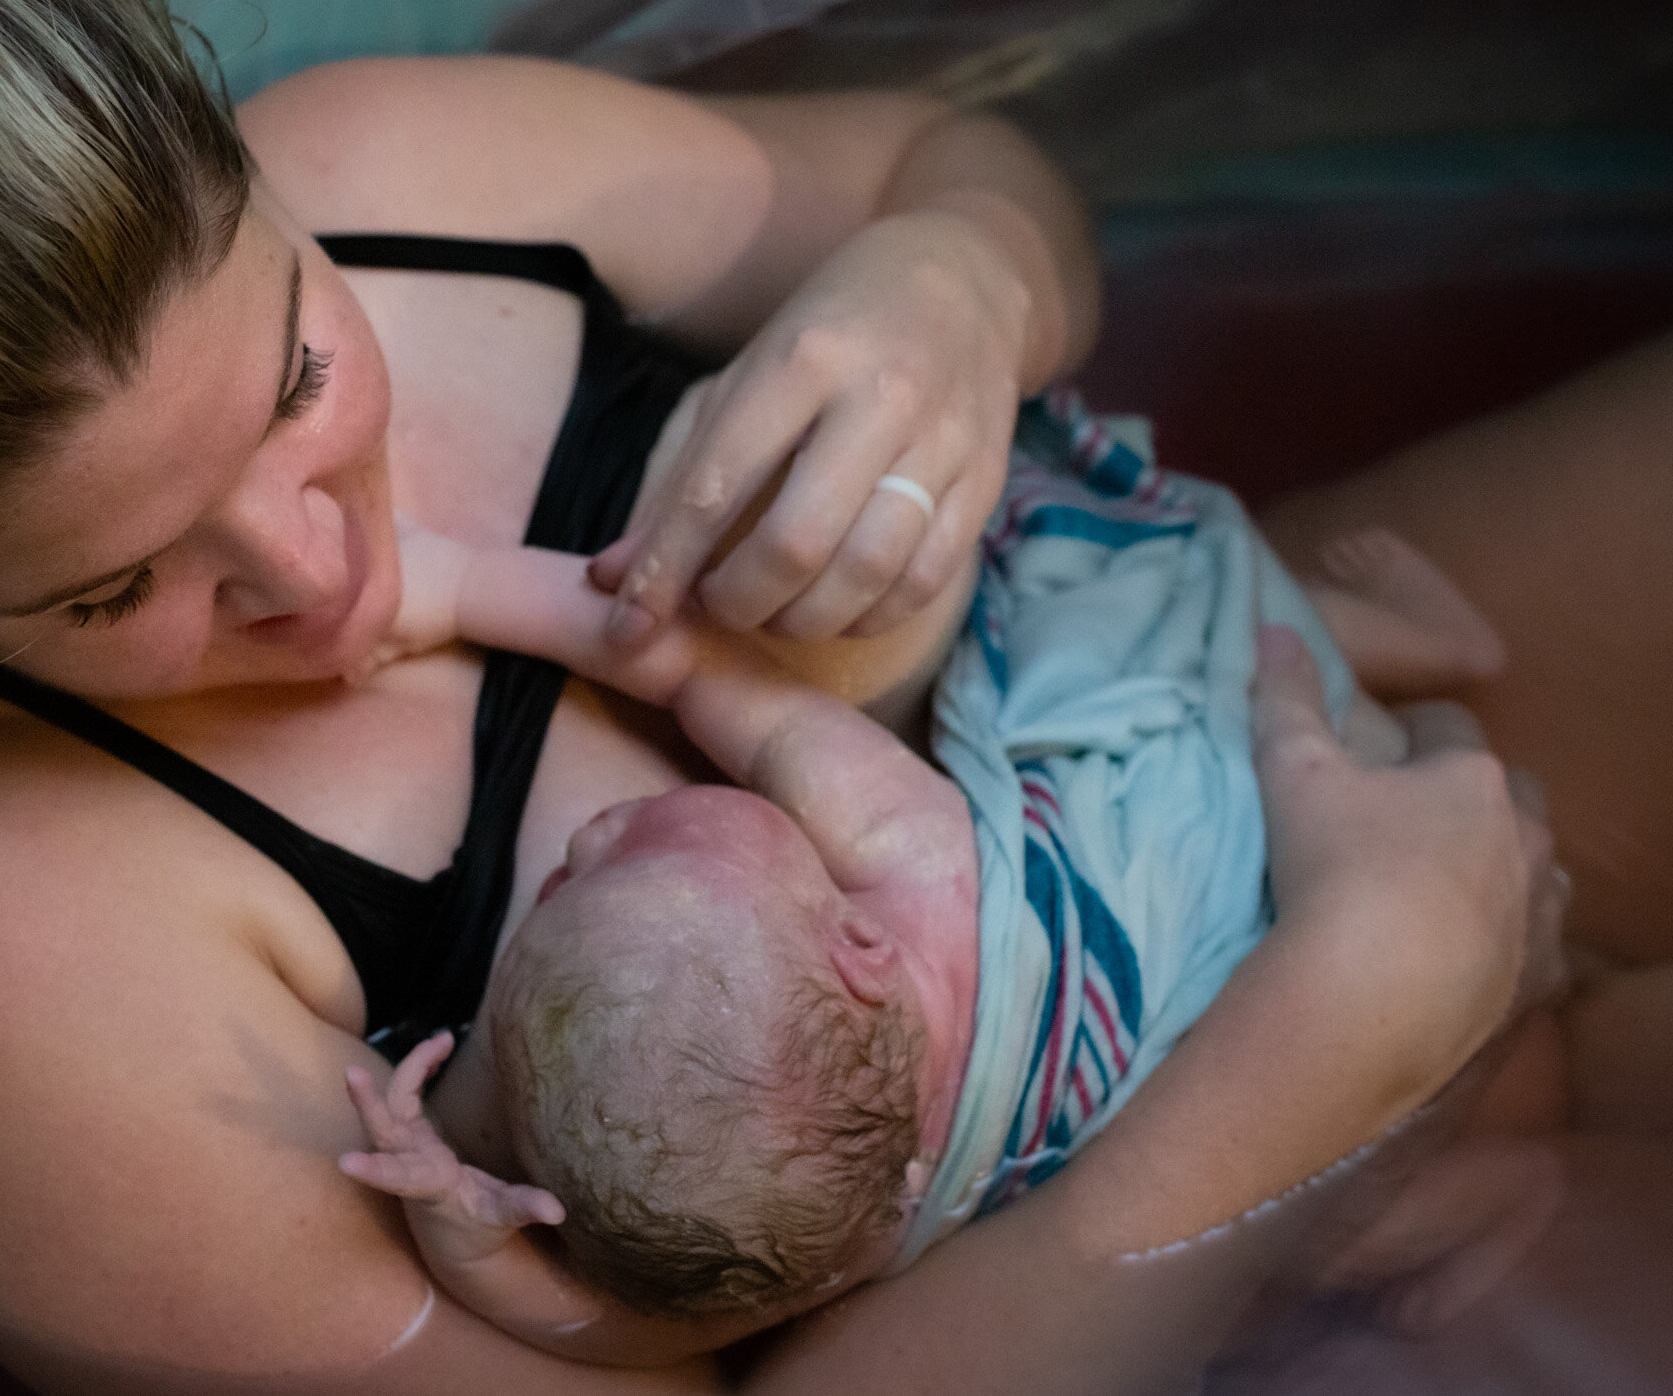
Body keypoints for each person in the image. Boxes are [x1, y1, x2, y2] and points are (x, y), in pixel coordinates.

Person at [0, 0, 1673, 1389]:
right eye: (119, 590)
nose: (318, 572)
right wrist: (1313, 1073)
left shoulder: (382, 161)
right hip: (1144, 1264)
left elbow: (958, 159)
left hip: (1237, 712)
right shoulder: (7, 972)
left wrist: (954, 284)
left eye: (299, 369)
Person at [333, 448, 1588, 1363]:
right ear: (860, 948)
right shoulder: (921, 871)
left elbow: (639, 1333)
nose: (594, 830)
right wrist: (453, 590)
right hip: (1272, 863)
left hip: (1275, 1046)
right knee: (1237, 644)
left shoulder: (853, 1230)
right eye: (611, 863)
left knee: (1292, 1233)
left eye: (571, 870)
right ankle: (1433, 660)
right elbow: (695, 663)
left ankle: (1475, 1187)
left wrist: (480, 1252)